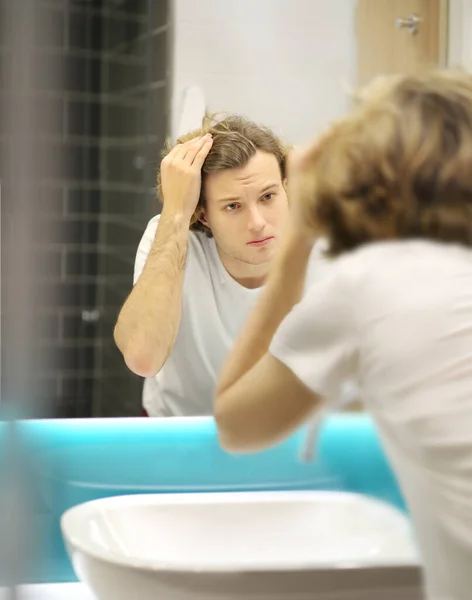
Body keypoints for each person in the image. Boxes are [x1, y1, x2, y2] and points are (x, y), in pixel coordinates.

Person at [214, 70, 472, 600]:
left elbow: (237, 425)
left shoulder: (371, 282)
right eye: (234, 206)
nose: (258, 221)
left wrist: (297, 243)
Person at [114, 115, 329, 417]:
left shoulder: (322, 246)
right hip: (179, 433)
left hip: (289, 436)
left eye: (268, 196)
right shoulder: (172, 239)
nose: (257, 223)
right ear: (203, 215)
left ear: (285, 187)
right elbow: (143, 358)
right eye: (233, 206)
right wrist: (176, 212)